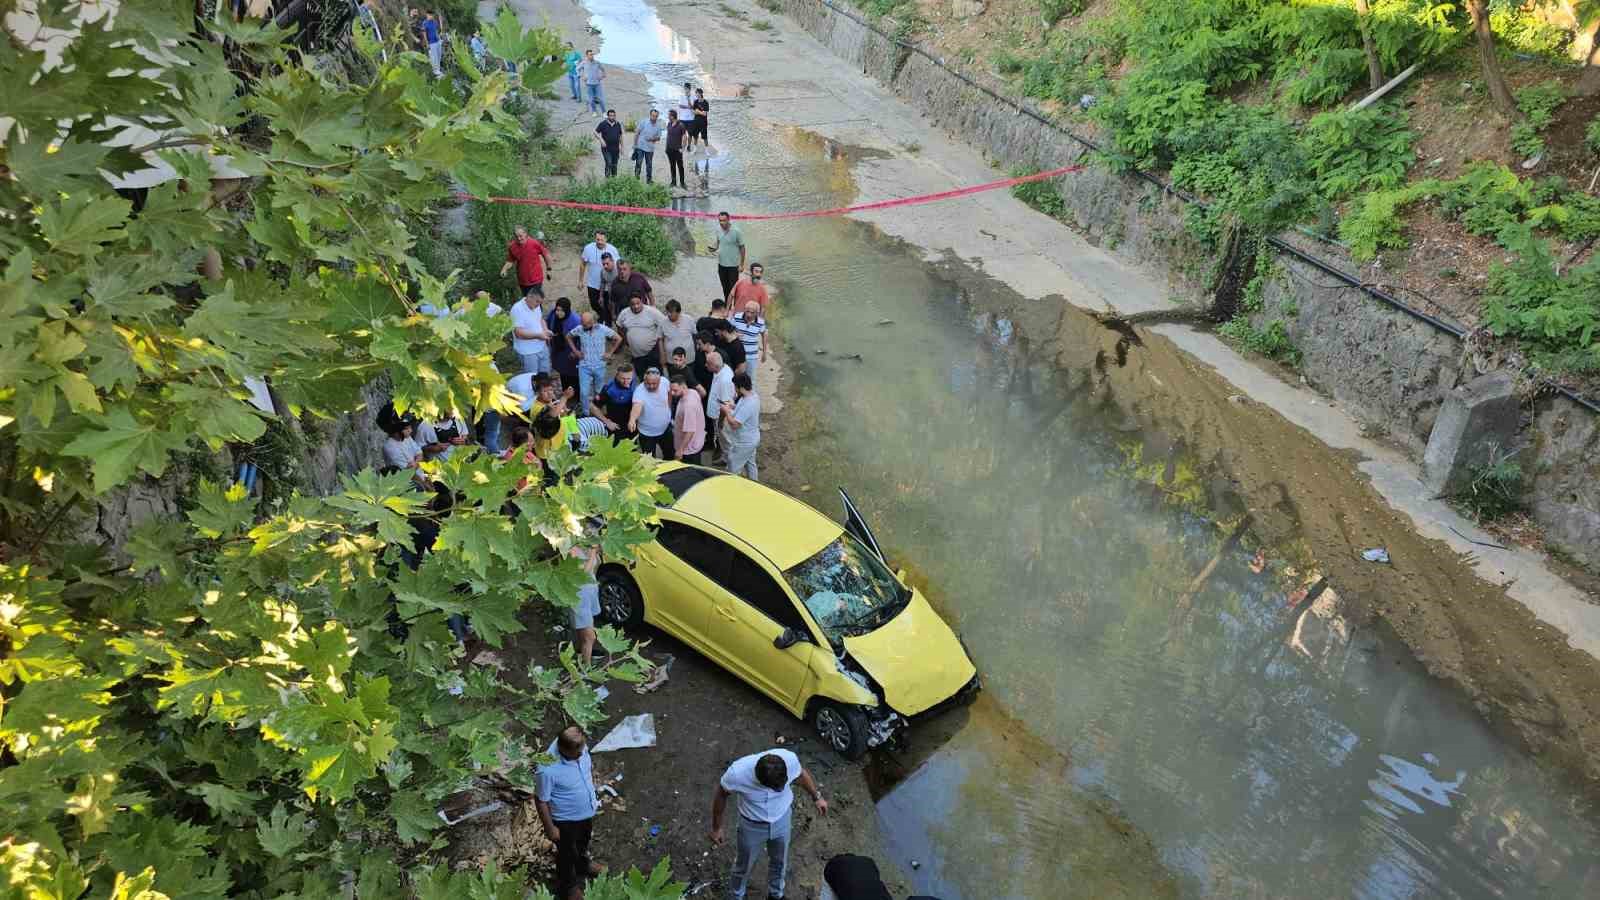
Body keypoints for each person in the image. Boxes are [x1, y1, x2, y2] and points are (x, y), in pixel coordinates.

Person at [711, 749, 827, 900]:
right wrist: (716, 827)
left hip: (782, 820)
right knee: (743, 866)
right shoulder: (737, 774)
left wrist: (816, 797)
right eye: (775, 788)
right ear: (759, 781)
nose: (780, 790)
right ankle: (736, 896)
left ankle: (776, 895)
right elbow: (721, 795)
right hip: (751, 827)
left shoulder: (789, 759)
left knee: (780, 861)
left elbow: (800, 775)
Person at [536, 726, 601, 900]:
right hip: (565, 820)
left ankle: (582, 865)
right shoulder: (547, 769)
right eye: (577, 753)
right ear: (563, 749)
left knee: (583, 842)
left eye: (582, 750)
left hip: (585, 812)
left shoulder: (579, 747)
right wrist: (550, 828)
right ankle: (568, 886)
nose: (582, 754)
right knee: (566, 854)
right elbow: (541, 800)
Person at [567, 311, 620, 418]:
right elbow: (568, 336)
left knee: (599, 391)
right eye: (582, 323)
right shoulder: (579, 329)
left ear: (592, 322)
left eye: (585, 324)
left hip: (600, 365)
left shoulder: (603, 329)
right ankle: (586, 413)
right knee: (584, 392)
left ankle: (598, 411)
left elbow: (618, 338)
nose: (583, 326)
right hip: (584, 366)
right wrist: (576, 351)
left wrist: (610, 352)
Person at [615, 293, 670, 377]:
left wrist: (663, 342)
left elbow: (665, 323)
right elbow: (619, 325)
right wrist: (625, 340)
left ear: (642, 302)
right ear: (629, 304)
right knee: (641, 375)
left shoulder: (652, 311)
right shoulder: (624, 313)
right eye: (633, 304)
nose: (636, 306)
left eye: (638, 303)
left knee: (657, 374)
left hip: (653, 351)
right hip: (636, 354)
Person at [628, 366, 674, 459]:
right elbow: (637, 406)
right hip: (647, 434)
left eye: (654, 384)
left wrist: (669, 408)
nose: (651, 386)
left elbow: (669, 393)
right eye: (648, 383)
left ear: (659, 381)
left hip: (665, 429)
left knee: (670, 454)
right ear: (644, 380)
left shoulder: (664, 381)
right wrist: (632, 419)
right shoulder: (639, 391)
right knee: (649, 461)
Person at [720, 374, 760, 480]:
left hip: (744, 442)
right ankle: (755, 485)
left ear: (741, 387)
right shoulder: (751, 395)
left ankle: (733, 489)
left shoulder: (749, 403)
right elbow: (742, 411)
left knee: (733, 467)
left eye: (735, 387)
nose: (734, 389)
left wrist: (727, 411)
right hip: (752, 439)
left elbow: (734, 424)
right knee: (750, 464)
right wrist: (732, 406)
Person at [579, 232, 623, 321]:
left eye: (602, 240)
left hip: (608, 284)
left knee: (608, 304)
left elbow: (619, 264)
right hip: (592, 283)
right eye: (597, 239)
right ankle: (603, 316)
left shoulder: (613, 249)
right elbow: (583, 264)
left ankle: (607, 320)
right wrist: (580, 280)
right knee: (594, 304)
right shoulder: (588, 248)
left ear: (606, 239)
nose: (599, 242)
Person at [501, 225, 552, 301]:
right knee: (526, 301)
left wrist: (549, 269)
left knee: (535, 301)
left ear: (526, 234)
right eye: (516, 236)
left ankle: (538, 312)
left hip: (536, 279)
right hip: (522, 281)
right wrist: (504, 269)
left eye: (520, 236)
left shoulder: (534, 243)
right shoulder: (512, 246)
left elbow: (546, 255)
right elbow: (510, 261)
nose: (519, 238)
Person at [570, 546, 602, 663]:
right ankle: (586, 670)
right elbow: (583, 573)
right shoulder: (571, 549)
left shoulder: (585, 546)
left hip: (589, 594)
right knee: (590, 637)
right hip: (579, 597)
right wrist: (593, 552)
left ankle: (582, 651)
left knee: (584, 630)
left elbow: (596, 566)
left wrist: (595, 552)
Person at [510, 289, 552, 375]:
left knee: (545, 375)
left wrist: (545, 330)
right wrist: (538, 336)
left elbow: (541, 319)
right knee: (532, 379)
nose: (538, 305)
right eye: (537, 302)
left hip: (542, 347)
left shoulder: (536, 306)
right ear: (529, 297)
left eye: (540, 302)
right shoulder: (517, 309)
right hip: (528, 352)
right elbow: (518, 333)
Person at [592, 363, 637, 440]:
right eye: (622, 378)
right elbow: (593, 407)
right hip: (617, 426)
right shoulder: (610, 389)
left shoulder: (634, 381)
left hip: (632, 423)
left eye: (628, 378)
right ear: (617, 375)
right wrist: (607, 422)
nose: (626, 382)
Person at [547, 297, 583, 395]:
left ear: (566, 310)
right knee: (563, 373)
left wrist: (576, 352)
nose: (558, 313)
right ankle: (566, 392)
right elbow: (547, 322)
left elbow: (582, 339)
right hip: (559, 351)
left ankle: (576, 394)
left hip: (571, 352)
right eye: (557, 310)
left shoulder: (575, 320)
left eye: (560, 310)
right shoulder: (553, 315)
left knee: (574, 375)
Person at [703, 349, 733, 462]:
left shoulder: (725, 380)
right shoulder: (720, 370)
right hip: (715, 413)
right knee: (721, 438)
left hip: (720, 416)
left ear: (715, 365)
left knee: (725, 440)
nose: (705, 365)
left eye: (708, 364)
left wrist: (720, 421)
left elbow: (724, 406)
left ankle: (728, 461)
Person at [670, 373, 706, 464]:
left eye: (675, 390)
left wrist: (680, 450)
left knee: (691, 473)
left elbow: (690, 431)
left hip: (688, 449)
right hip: (696, 442)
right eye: (671, 390)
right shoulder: (693, 392)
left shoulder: (688, 406)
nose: (672, 393)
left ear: (683, 386)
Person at [709, 212, 746, 299]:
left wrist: (741, 265)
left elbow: (742, 248)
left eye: (724, 220)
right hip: (721, 264)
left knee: (733, 289)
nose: (722, 223)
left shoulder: (737, 231)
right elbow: (718, 243)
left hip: (733, 265)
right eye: (720, 221)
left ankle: (735, 306)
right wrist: (713, 248)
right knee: (725, 288)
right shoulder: (718, 229)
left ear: (729, 220)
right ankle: (727, 306)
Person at [732, 301, 768, 379]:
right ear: (744, 309)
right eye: (747, 311)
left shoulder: (760, 322)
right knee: (735, 377)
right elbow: (728, 330)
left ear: (757, 313)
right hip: (736, 354)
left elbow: (764, 335)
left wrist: (764, 352)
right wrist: (735, 334)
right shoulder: (737, 317)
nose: (748, 314)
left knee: (750, 379)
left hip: (751, 356)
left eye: (752, 313)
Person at [660, 300, 697, 367]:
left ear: (678, 312)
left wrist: (695, 350)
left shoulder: (689, 319)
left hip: (688, 359)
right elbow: (660, 339)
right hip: (671, 360)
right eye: (667, 312)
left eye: (671, 312)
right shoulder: (663, 322)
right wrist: (662, 355)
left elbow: (695, 335)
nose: (668, 314)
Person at [632, 108, 664, 184]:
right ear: (650, 115)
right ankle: (636, 179)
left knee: (649, 165)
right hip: (640, 147)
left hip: (650, 149)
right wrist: (635, 145)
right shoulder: (643, 122)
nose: (654, 118)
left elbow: (659, 138)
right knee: (638, 163)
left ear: (657, 116)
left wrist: (653, 139)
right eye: (653, 116)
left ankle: (649, 180)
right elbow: (637, 133)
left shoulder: (658, 126)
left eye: (656, 116)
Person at [594, 108, 623, 178]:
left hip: (616, 149)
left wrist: (622, 147)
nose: (612, 117)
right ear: (608, 116)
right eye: (610, 116)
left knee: (614, 165)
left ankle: (614, 179)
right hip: (606, 149)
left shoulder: (618, 124)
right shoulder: (603, 124)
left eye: (613, 116)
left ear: (615, 116)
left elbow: (620, 135)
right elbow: (595, 132)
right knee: (609, 163)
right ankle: (607, 178)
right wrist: (601, 139)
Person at [664, 109, 688, 189]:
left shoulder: (681, 125)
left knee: (680, 166)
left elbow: (685, 137)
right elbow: (668, 136)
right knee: (672, 165)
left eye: (669, 115)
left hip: (678, 150)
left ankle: (682, 183)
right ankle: (673, 182)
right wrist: (666, 147)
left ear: (672, 116)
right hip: (669, 149)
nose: (668, 116)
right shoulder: (669, 124)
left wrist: (683, 148)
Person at [579, 49, 606, 114]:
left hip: (597, 84)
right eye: (590, 55)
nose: (592, 56)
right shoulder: (584, 63)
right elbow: (577, 69)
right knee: (591, 100)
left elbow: (603, 69)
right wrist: (582, 76)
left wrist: (602, 76)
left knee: (600, 99)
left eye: (592, 55)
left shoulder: (597, 62)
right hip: (588, 84)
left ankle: (604, 112)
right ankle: (594, 111)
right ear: (587, 55)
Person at [422, 10, 442, 78]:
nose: (431, 16)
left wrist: (439, 38)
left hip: (437, 41)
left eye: (432, 15)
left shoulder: (434, 22)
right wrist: (427, 43)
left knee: (439, 56)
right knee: (434, 57)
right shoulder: (425, 23)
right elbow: (424, 34)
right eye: (430, 15)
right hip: (431, 42)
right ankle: (435, 71)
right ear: (427, 15)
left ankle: (438, 70)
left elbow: (436, 30)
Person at [692, 87, 710, 152]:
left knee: (705, 137)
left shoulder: (705, 102)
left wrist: (698, 111)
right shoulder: (695, 102)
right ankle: (695, 149)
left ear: (701, 93)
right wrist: (700, 112)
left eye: (697, 93)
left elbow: (705, 114)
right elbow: (693, 112)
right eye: (696, 93)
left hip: (703, 122)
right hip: (696, 121)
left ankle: (707, 150)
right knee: (695, 136)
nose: (696, 94)